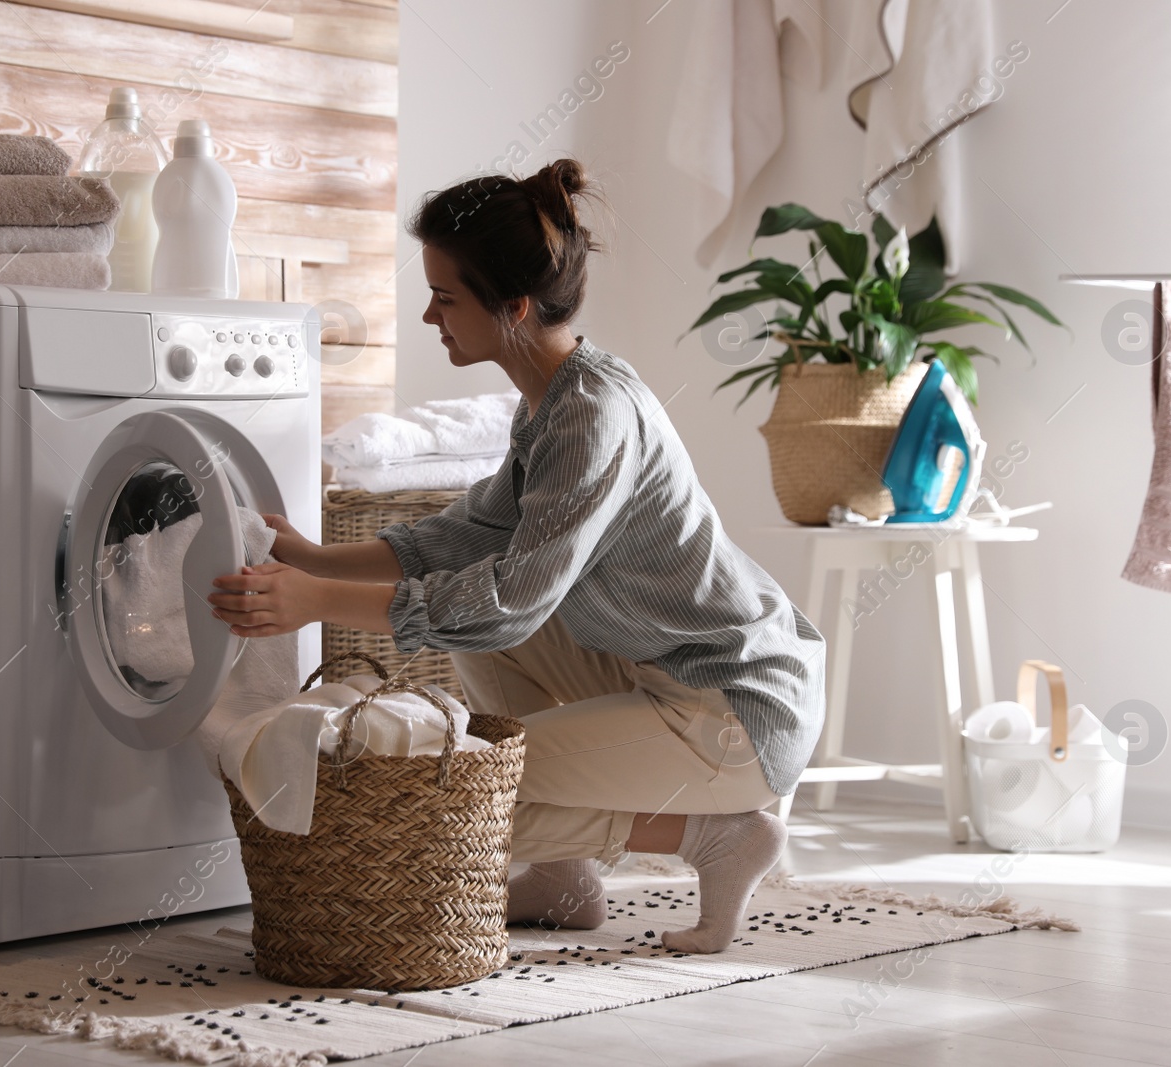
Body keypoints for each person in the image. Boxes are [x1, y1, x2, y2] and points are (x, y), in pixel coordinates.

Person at [207, 158, 825, 954]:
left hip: (734, 707)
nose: (431, 314)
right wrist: (316, 558)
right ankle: (564, 880)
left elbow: (508, 600)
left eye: (445, 296)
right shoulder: (555, 397)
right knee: (489, 633)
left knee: (468, 787)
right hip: (678, 672)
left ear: (514, 307)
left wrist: (315, 601)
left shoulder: (590, 414)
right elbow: (464, 539)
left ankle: (719, 837)